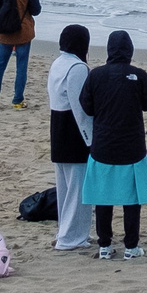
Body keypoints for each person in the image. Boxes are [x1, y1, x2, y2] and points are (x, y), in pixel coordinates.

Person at [78, 30, 147, 259]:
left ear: (109, 50)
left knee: (104, 197)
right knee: (131, 200)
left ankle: (104, 246)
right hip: (132, 148)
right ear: (130, 51)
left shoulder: (96, 75)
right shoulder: (138, 75)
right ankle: (131, 247)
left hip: (103, 146)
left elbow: (87, 106)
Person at [46, 23, 95, 252]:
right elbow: (81, 108)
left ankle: (67, 233)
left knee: (66, 188)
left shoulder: (58, 63)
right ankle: (71, 238)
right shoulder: (77, 67)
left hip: (58, 126)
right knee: (78, 189)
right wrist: (91, 139)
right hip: (74, 131)